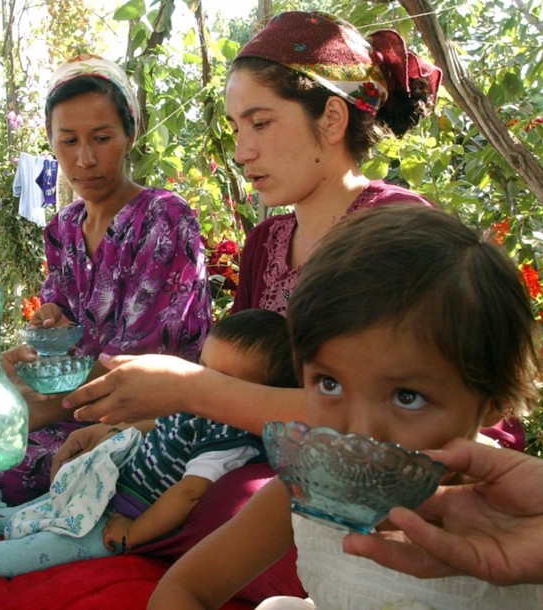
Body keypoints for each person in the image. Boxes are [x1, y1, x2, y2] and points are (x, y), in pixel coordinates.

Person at [58, 11, 443, 600]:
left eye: (260, 124)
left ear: (332, 118)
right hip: (272, 458)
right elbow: (238, 387)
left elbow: (383, 425)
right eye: (237, 128)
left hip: (382, 471)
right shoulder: (266, 243)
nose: (242, 151)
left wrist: (189, 390)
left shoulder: (395, 231)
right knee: (172, 483)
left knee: (226, 504)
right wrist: (134, 426)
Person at [148, 204, 543, 609]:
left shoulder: (526, 523)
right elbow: (185, 590)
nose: (358, 431)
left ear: (493, 399)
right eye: (330, 384)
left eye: (407, 397)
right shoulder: (304, 493)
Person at [0, 54, 212, 507]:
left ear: (129, 135)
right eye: (69, 140)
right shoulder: (63, 229)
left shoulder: (165, 219)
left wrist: (42, 391)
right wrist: (48, 323)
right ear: (50, 141)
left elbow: (148, 361)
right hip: (73, 403)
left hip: (147, 417)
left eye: (102, 138)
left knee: (55, 463)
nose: (85, 159)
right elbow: (58, 313)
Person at [0, 308, 297, 579]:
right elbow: (161, 423)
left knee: (45, 547)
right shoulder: (199, 408)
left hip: (126, 513)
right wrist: (115, 432)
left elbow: (188, 494)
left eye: (224, 380)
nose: (205, 384)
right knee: (53, 504)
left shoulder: (230, 442)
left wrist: (133, 534)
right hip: (108, 484)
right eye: (204, 369)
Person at [342, 437, 543, 587]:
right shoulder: (318, 520)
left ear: (493, 406)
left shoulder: (522, 504)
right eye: (329, 384)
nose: (359, 435)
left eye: (407, 397)